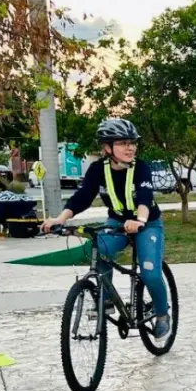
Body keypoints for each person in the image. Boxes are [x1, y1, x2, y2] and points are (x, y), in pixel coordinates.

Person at [41, 118, 172, 340]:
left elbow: (144, 196)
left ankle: (162, 314)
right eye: (122, 143)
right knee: (98, 247)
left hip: (147, 224)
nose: (130, 147)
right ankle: (107, 299)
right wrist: (60, 218)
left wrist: (139, 220)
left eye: (132, 142)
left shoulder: (141, 168)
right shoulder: (97, 170)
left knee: (150, 273)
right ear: (107, 147)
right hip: (118, 223)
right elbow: (82, 198)